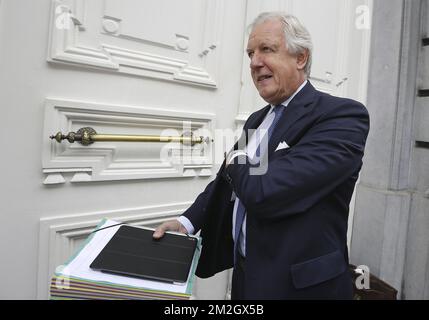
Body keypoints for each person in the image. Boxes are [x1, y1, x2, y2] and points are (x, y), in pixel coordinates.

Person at [153, 11, 369, 299]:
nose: (255, 62)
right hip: (246, 277)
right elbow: (226, 182)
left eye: (266, 49)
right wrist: (187, 222)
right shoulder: (257, 119)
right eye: (250, 53)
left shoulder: (341, 116)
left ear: (300, 58)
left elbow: (265, 191)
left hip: (301, 288)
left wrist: (236, 158)